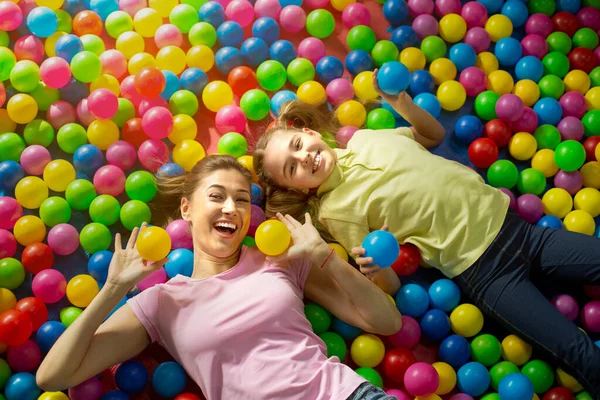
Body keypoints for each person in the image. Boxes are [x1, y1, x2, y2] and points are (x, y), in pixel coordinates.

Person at [253, 72, 600, 397]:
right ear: (296, 189)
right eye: (292, 168)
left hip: (522, 234)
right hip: (485, 272)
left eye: (298, 144)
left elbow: (432, 136)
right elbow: (388, 286)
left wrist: (402, 103)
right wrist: (376, 267)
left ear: (311, 134)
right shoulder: (335, 210)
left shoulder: (367, 138)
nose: (304, 158)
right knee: (574, 348)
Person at [36, 155, 403, 400]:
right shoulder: (160, 301)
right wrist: (112, 289)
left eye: (242, 200)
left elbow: (385, 321)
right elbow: (52, 378)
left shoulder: (281, 261)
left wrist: (325, 256)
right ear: (187, 208)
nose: (231, 208)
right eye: (217, 196)